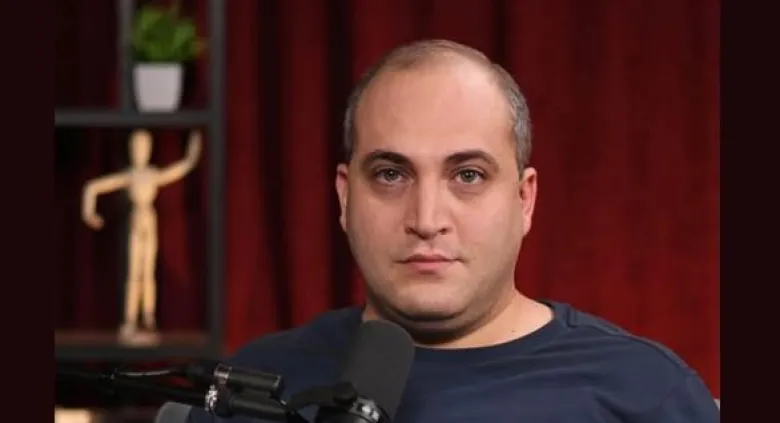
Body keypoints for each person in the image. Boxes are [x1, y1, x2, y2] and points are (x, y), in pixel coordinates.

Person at [187, 39, 719, 423]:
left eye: (468, 176)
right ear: (345, 198)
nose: (426, 219)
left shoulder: (645, 393)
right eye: (390, 175)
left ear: (525, 199)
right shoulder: (253, 388)